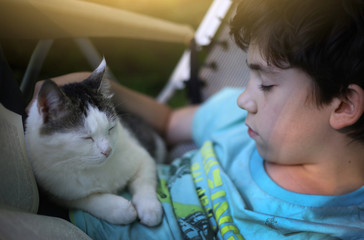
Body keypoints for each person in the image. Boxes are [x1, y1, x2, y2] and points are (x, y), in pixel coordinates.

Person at [29, 0, 364, 239]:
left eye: (266, 84)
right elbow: (169, 118)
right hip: (69, 186)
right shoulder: (237, 119)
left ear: (343, 105)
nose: (243, 98)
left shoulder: (329, 230)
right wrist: (95, 85)